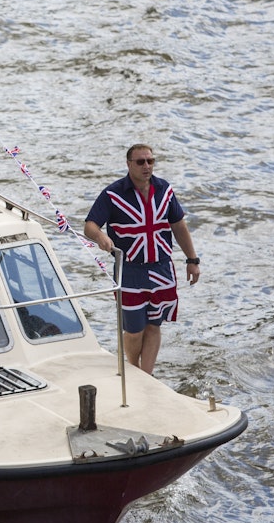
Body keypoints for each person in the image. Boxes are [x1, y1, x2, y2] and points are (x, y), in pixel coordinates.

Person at [83, 144, 201, 375]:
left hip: (161, 268)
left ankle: (147, 376)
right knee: (134, 329)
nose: (147, 166)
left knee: (154, 325)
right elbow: (90, 225)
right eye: (140, 162)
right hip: (129, 270)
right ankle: (133, 370)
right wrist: (101, 237)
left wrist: (192, 260)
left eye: (150, 161)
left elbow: (178, 225)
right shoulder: (113, 194)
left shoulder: (164, 189)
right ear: (129, 164)